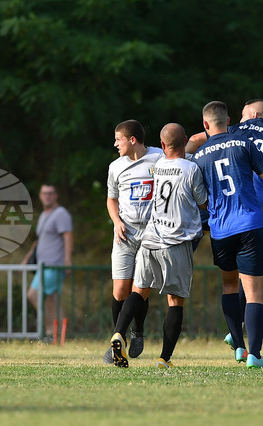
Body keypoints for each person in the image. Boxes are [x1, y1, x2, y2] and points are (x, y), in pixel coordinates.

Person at [187, 99, 263, 354]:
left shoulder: (229, 134)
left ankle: (237, 341)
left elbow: (193, 140)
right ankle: (254, 354)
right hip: (249, 213)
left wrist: (176, 157)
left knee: (230, 283)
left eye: (243, 114)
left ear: (253, 114)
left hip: (220, 219)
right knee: (253, 288)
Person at [109, 124, 207, 368]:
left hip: (150, 239)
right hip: (176, 240)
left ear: (162, 146)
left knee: (138, 291)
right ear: (184, 141)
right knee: (175, 301)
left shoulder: (158, 164)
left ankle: (118, 333)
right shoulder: (191, 168)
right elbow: (203, 203)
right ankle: (164, 358)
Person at [103, 119, 164, 363]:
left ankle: (137, 331)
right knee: (120, 290)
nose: (115, 144)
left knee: (140, 288)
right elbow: (111, 199)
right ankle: (118, 340)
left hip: (151, 233)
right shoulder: (116, 166)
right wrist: (116, 221)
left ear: (132, 139)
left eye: (118, 139)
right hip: (125, 233)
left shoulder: (159, 158)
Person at [22, 184, 73, 339]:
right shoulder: (44, 215)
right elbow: (38, 240)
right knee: (52, 300)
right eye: (44, 193)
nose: (47, 196)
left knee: (34, 295)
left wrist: (67, 260)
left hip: (53, 265)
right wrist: (27, 257)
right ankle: (59, 335)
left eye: (50, 193)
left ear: (56, 195)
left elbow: (68, 236)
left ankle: (51, 331)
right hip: (43, 266)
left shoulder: (61, 214)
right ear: (40, 195)